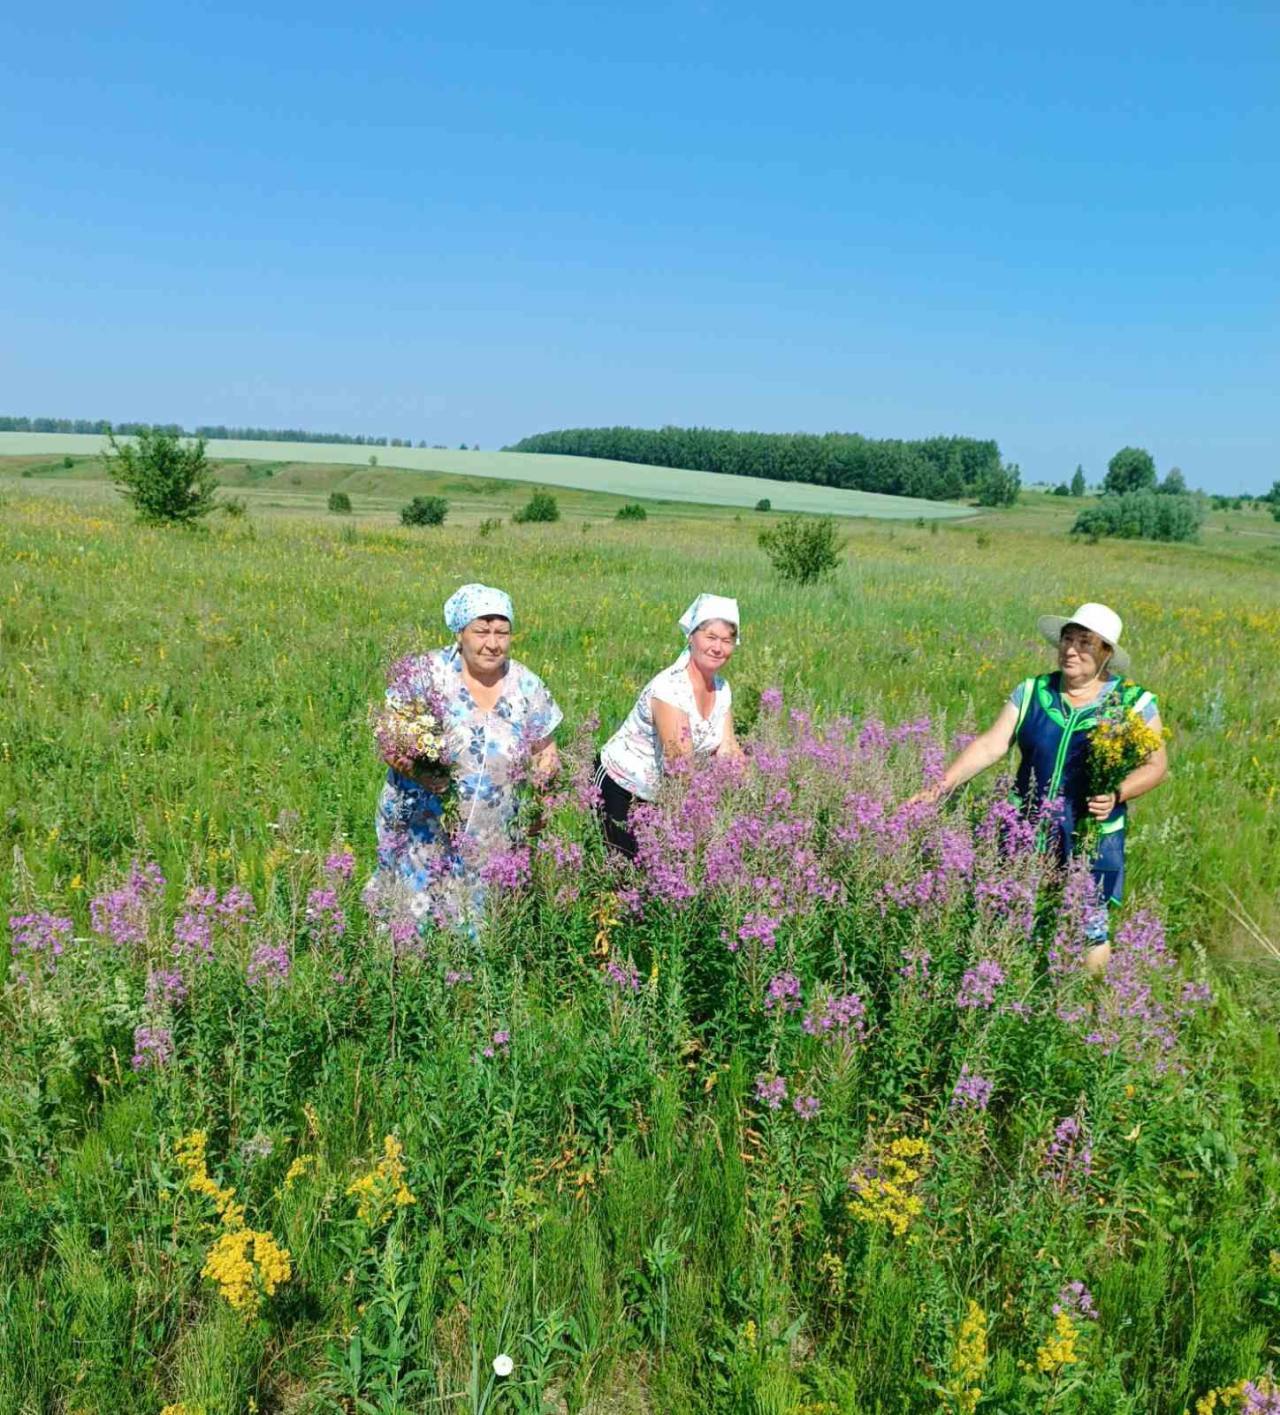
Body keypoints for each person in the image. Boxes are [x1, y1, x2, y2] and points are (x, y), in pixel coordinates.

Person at [916, 603, 1167, 969]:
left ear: (1106, 652)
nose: (1071, 650)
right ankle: (1003, 985)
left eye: (1085, 642)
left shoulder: (1134, 703)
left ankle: (1088, 1007)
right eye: (1067, 639)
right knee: (1009, 908)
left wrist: (1117, 794)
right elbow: (991, 745)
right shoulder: (1033, 691)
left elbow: (1156, 765)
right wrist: (938, 789)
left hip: (1089, 830)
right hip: (1026, 826)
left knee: (1088, 924)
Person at [373, 583, 562, 931]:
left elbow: (546, 751)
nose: (493, 643)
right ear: (460, 633)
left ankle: (469, 979)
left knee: (477, 919)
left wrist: (542, 798)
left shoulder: (527, 685)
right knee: (413, 914)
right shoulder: (425, 674)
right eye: (482, 631)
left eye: (502, 632)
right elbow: (389, 738)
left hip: (492, 833)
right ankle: (405, 972)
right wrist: (419, 772)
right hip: (422, 825)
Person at [596, 593, 744, 857]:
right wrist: (707, 815)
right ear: (691, 637)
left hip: (664, 794)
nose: (718, 648)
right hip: (622, 786)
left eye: (727, 640)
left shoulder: (722, 689)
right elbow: (679, 762)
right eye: (710, 637)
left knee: (657, 875)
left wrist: (759, 789)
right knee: (623, 876)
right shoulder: (670, 688)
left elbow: (728, 748)